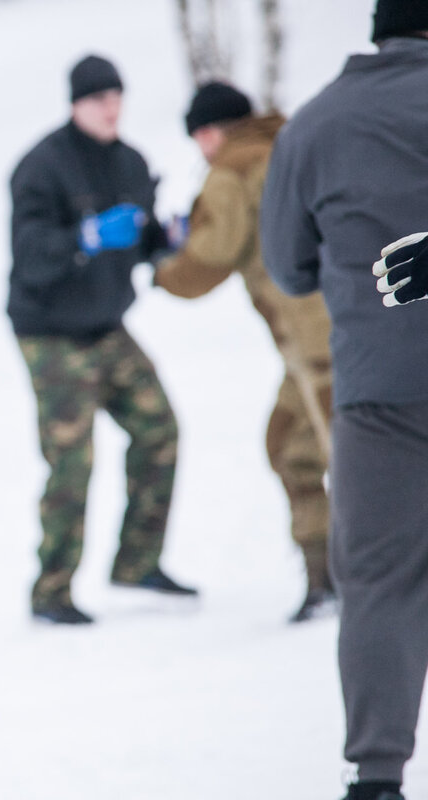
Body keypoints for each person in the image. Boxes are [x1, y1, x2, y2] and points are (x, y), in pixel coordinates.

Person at [259, 1, 428, 797]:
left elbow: (287, 268)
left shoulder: (314, 127)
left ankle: (378, 772)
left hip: (378, 394)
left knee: (380, 580)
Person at [8, 53, 196, 625]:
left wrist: (164, 239)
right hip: (51, 332)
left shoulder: (132, 163)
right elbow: (32, 256)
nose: (110, 108)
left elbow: (138, 242)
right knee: (73, 460)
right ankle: (52, 593)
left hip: (108, 325)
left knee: (160, 429)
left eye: (117, 97)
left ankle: (137, 561)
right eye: (98, 99)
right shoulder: (41, 167)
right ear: (75, 104)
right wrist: (84, 236)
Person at [153, 81, 336, 623]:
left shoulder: (231, 167)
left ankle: (381, 580)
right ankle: (328, 579)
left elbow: (208, 259)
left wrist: (162, 268)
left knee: (356, 462)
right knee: (288, 446)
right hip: (328, 336)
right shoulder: (290, 144)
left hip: (320, 345)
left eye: (198, 137)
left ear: (209, 132)